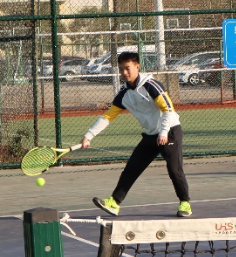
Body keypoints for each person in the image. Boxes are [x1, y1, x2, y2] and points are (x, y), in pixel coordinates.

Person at [81, 51, 192, 218]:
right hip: (150, 135)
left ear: (137, 66)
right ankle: (114, 203)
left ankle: (185, 203)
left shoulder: (152, 85)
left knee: (174, 169)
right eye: (121, 69)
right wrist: (89, 135)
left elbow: (168, 110)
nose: (124, 72)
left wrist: (163, 132)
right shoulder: (123, 94)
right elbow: (107, 117)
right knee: (132, 168)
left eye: (128, 68)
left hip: (169, 131)